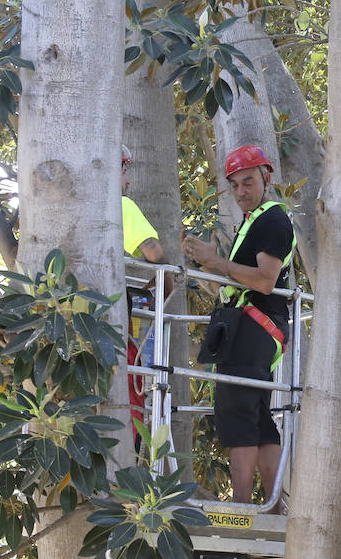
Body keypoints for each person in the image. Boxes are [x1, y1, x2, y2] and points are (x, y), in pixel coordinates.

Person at [182, 144, 294, 509]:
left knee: (238, 414)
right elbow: (238, 283)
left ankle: (242, 509)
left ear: (266, 177)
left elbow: (264, 280)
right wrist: (209, 265)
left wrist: (217, 261)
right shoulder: (254, 221)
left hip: (253, 328)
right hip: (257, 328)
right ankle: (274, 506)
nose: (242, 191)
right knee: (259, 419)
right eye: (235, 186)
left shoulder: (272, 220)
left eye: (248, 182)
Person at [121, 143, 170, 450]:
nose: (127, 182)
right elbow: (154, 252)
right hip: (113, 332)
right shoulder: (121, 205)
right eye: (124, 172)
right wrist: (166, 280)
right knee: (130, 408)